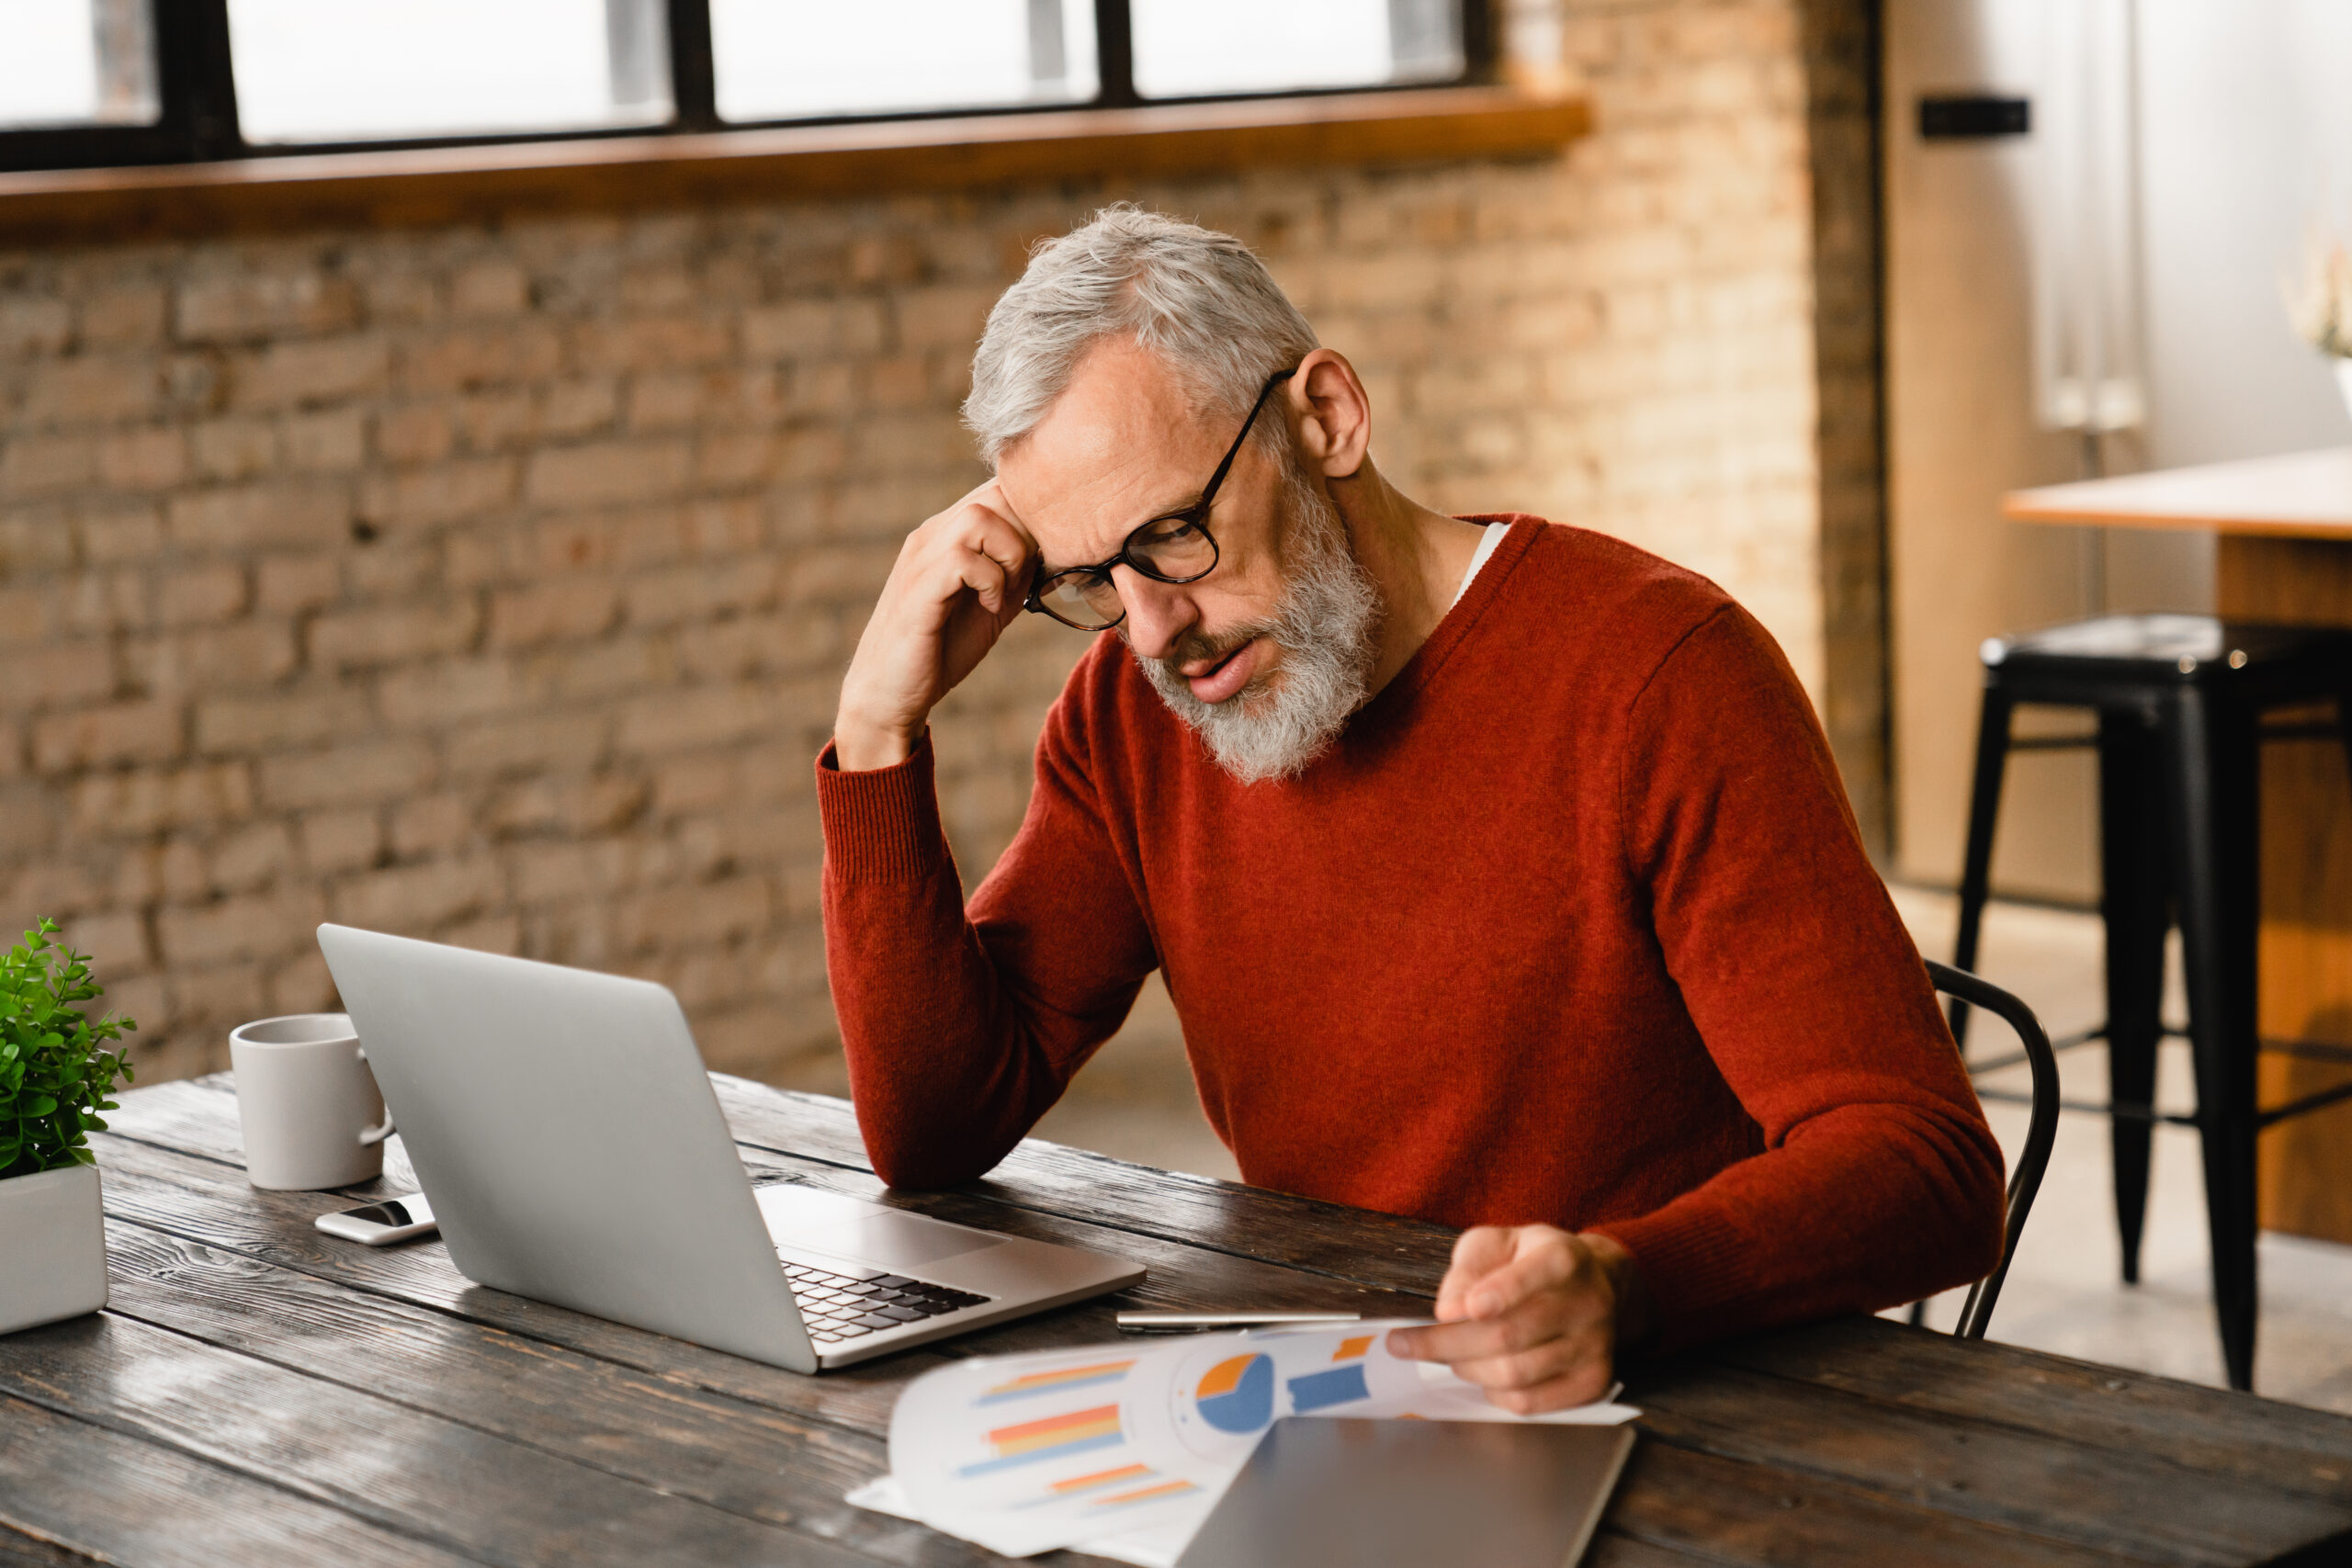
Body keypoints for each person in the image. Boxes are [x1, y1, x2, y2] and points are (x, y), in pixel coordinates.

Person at [818, 206, 2005, 1412]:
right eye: (1091, 578)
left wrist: (1624, 1283)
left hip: (1661, 1401)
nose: (1152, 630)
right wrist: (876, 734)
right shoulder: (1133, 722)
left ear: (1325, 418)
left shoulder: (1661, 675)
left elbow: (1925, 1167)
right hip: (1334, 1397)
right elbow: (936, 1133)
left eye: (1173, 537)